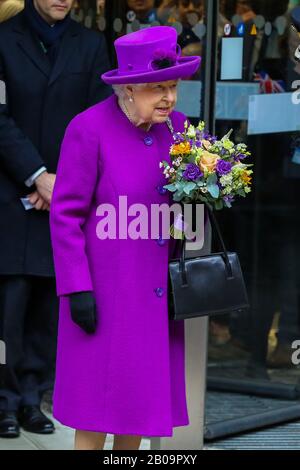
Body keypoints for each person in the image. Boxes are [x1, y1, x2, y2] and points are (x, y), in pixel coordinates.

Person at [49, 25, 200, 451]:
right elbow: (65, 216)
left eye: (173, 86)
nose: (169, 97)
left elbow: (186, 212)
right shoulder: (88, 128)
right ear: (129, 89)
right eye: (157, 88)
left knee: (138, 408)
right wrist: (76, 287)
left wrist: (206, 198)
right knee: (95, 412)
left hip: (156, 296)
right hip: (104, 293)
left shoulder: (181, 129)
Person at [0, 0, 111, 438]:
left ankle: (32, 399)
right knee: (9, 306)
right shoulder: (3, 41)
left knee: (50, 304)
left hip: (68, 194)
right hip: (11, 190)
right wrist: (36, 174)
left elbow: (98, 118)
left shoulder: (90, 44)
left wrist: (62, 182)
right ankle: (3, 401)